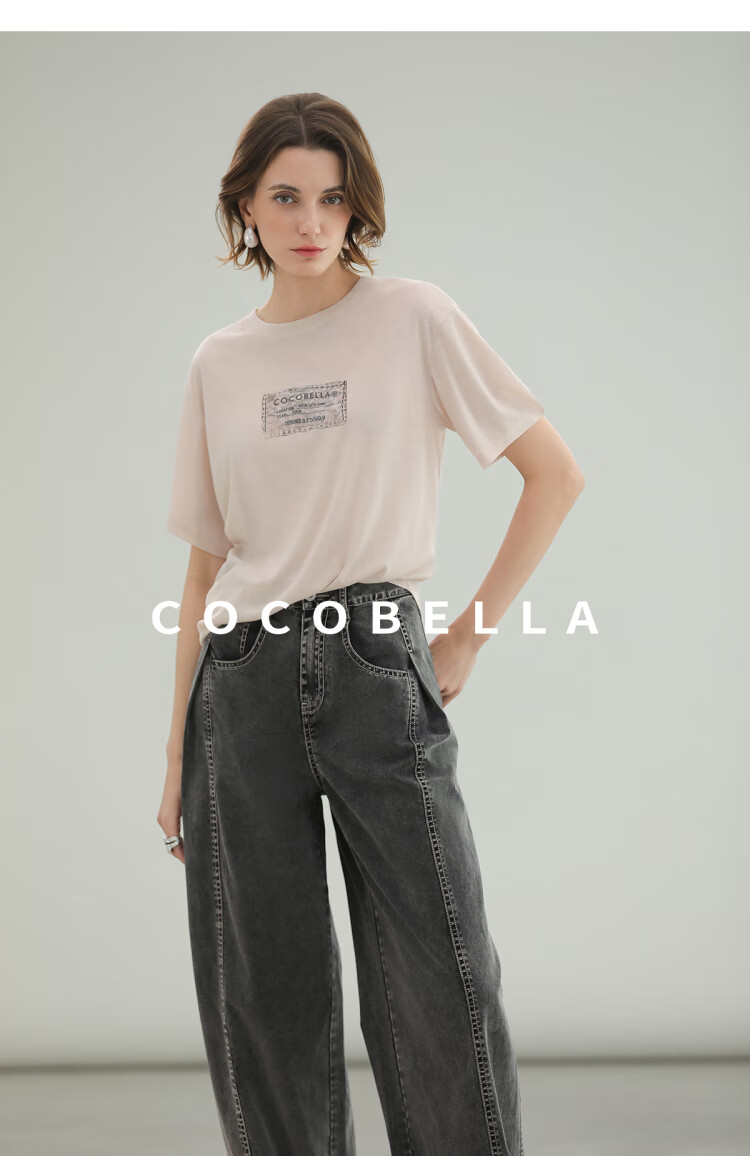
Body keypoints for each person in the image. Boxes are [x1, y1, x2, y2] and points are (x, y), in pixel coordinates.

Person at [158, 91, 584, 1156]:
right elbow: (204, 571)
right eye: (285, 197)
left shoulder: (414, 317)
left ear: (359, 208)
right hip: (238, 682)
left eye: (334, 199)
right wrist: (174, 754)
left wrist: (466, 636)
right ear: (245, 208)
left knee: (441, 969)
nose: (311, 222)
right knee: (264, 993)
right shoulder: (218, 362)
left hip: (372, 660)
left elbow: (555, 475)